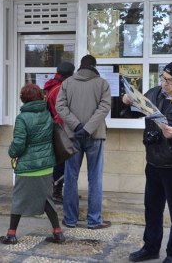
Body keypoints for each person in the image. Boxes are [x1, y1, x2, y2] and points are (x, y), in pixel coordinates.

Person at [122, 59, 172, 263]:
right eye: (162, 78)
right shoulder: (155, 93)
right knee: (152, 209)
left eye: (169, 80)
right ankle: (150, 247)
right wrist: (129, 101)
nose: (164, 84)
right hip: (154, 162)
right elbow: (138, 110)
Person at [0, 84, 65, 245]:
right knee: (47, 199)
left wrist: (11, 152)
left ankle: (11, 234)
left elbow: (19, 144)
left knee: (19, 199)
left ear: (24, 99)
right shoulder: (46, 114)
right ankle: (57, 233)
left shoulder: (22, 118)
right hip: (46, 165)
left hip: (28, 166)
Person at [55, 55, 111, 230]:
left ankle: (70, 220)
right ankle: (94, 220)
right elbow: (104, 108)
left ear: (80, 66)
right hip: (95, 136)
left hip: (73, 136)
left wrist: (77, 126)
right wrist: (87, 129)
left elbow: (60, 107)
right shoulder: (102, 83)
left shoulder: (68, 83)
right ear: (95, 65)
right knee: (95, 178)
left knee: (71, 178)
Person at [43, 61, 76, 204]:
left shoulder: (52, 85)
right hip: (60, 128)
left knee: (61, 159)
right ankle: (56, 192)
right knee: (62, 160)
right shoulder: (59, 88)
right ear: (69, 74)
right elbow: (61, 111)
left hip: (55, 127)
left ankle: (65, 190)